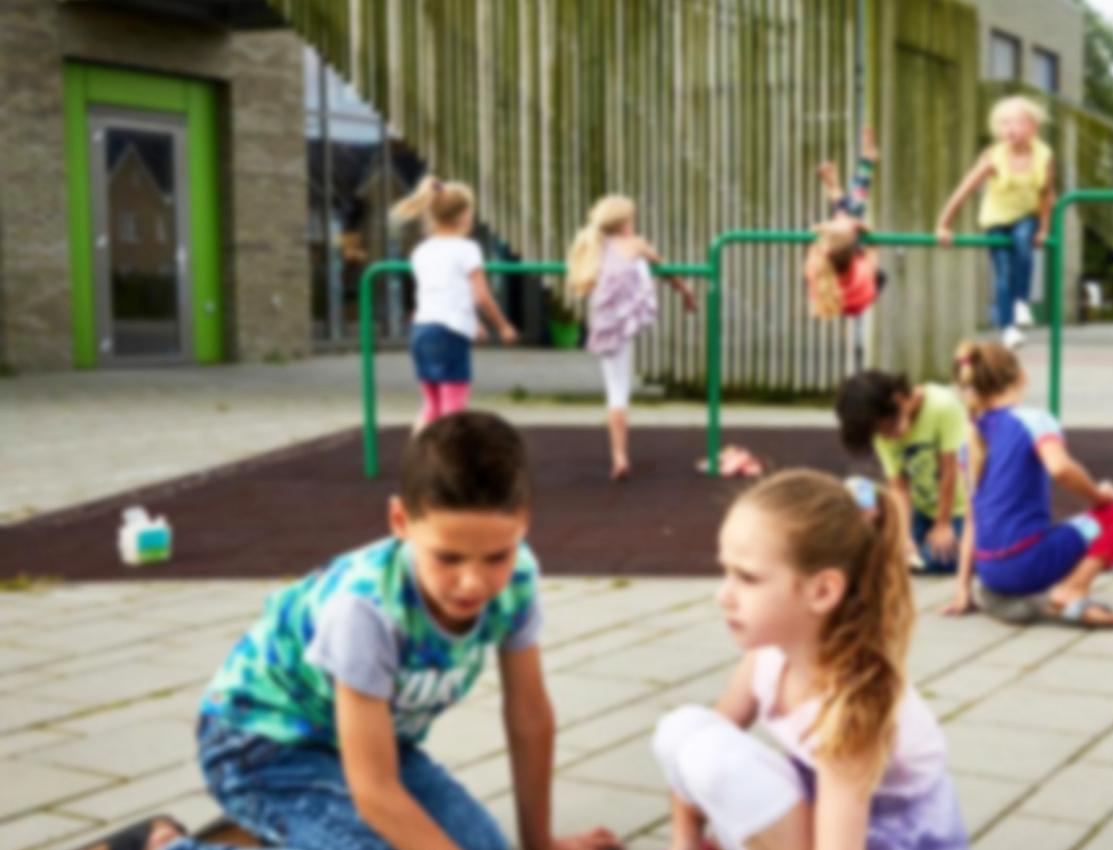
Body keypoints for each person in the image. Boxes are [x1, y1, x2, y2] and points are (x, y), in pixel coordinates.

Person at [125, 412, 621, 850]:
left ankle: (290, 827)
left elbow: (530, 714)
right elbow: (375, 793)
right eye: (448, 558)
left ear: (523, 523)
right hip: (259, 747)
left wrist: (540, 843)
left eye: (496, 555)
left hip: (370, 744)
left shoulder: (518, 579)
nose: (474, 582)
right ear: (400, 520)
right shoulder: (364, 609)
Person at [651, 470, 967, 850]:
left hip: (889, 839)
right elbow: (694, 754)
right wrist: (685, 840)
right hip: (829, 816)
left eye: (747, 578)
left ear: (822, 591)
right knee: (683, 729)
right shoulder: (766, 659)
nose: (724, 595)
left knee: (713, 756)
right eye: (726, 572)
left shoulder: (853, 704)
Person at [943, 341, 1113, 629]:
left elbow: (971, 520)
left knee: (1054, 529)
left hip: (990, 570)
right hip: (1027, 563)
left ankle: (999, 595)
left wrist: (962, 589)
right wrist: (1099, 496)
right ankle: (1072, 590)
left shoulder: (970, 441)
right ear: (1021, 377)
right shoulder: (1034, 420)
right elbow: (1060, 468)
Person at [566, 195, 698, 481]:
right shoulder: (635, 244)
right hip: (624, 321)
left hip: (604, 324)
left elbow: (586, 283)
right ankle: (620, 456)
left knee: (616, 390)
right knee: (618, 395)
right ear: (626, 223)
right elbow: (668, 270)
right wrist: (686, 293)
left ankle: (620, 455)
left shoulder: (594, 246)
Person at [390, 177, 519, 433]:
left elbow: (445, 292)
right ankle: (451, 469)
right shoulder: (467, 249)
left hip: (422, 331)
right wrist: (503, 326)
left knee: (431, 407)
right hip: (449, 335)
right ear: (463, 216)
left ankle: (418, 463)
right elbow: (481, 295)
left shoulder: (421, 251)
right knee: (453, 410)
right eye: (471, 211)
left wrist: (474, 322)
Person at [936, 96, 1055, 349]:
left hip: (1026, 216)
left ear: (1033, 127)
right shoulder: (993, 157)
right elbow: (965, 189)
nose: (1009, 128)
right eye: (1003, 123)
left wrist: (1044, 228)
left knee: (1023, 242)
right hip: (996, 219)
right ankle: (1007, 328)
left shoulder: (1043, 156)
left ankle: (1021, 302)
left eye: (1017, 122)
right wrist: (944, 223)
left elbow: (1047, 194)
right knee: (1002, 271)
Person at [835, 371, 970, 574]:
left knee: (936, 559)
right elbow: (899, 488)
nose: (889, 438)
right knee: (896, 554)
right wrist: (903, 536)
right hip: (924, 511)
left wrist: (943, 524)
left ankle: (980, 551)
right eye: (880, 434)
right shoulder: (881, 433)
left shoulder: (942, 405)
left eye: (889, 428)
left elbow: (948, 472)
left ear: (899, 400)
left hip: (962, 510)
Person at [806, 126, 885, 322]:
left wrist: (863, 229)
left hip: (845, 286)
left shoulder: (816, 267)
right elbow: (872, 249)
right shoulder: (862, 275)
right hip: (861, 295)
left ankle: (837, 188)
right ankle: (845, 180)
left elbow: (872, 246)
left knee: (850, 214)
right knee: (851, 214)